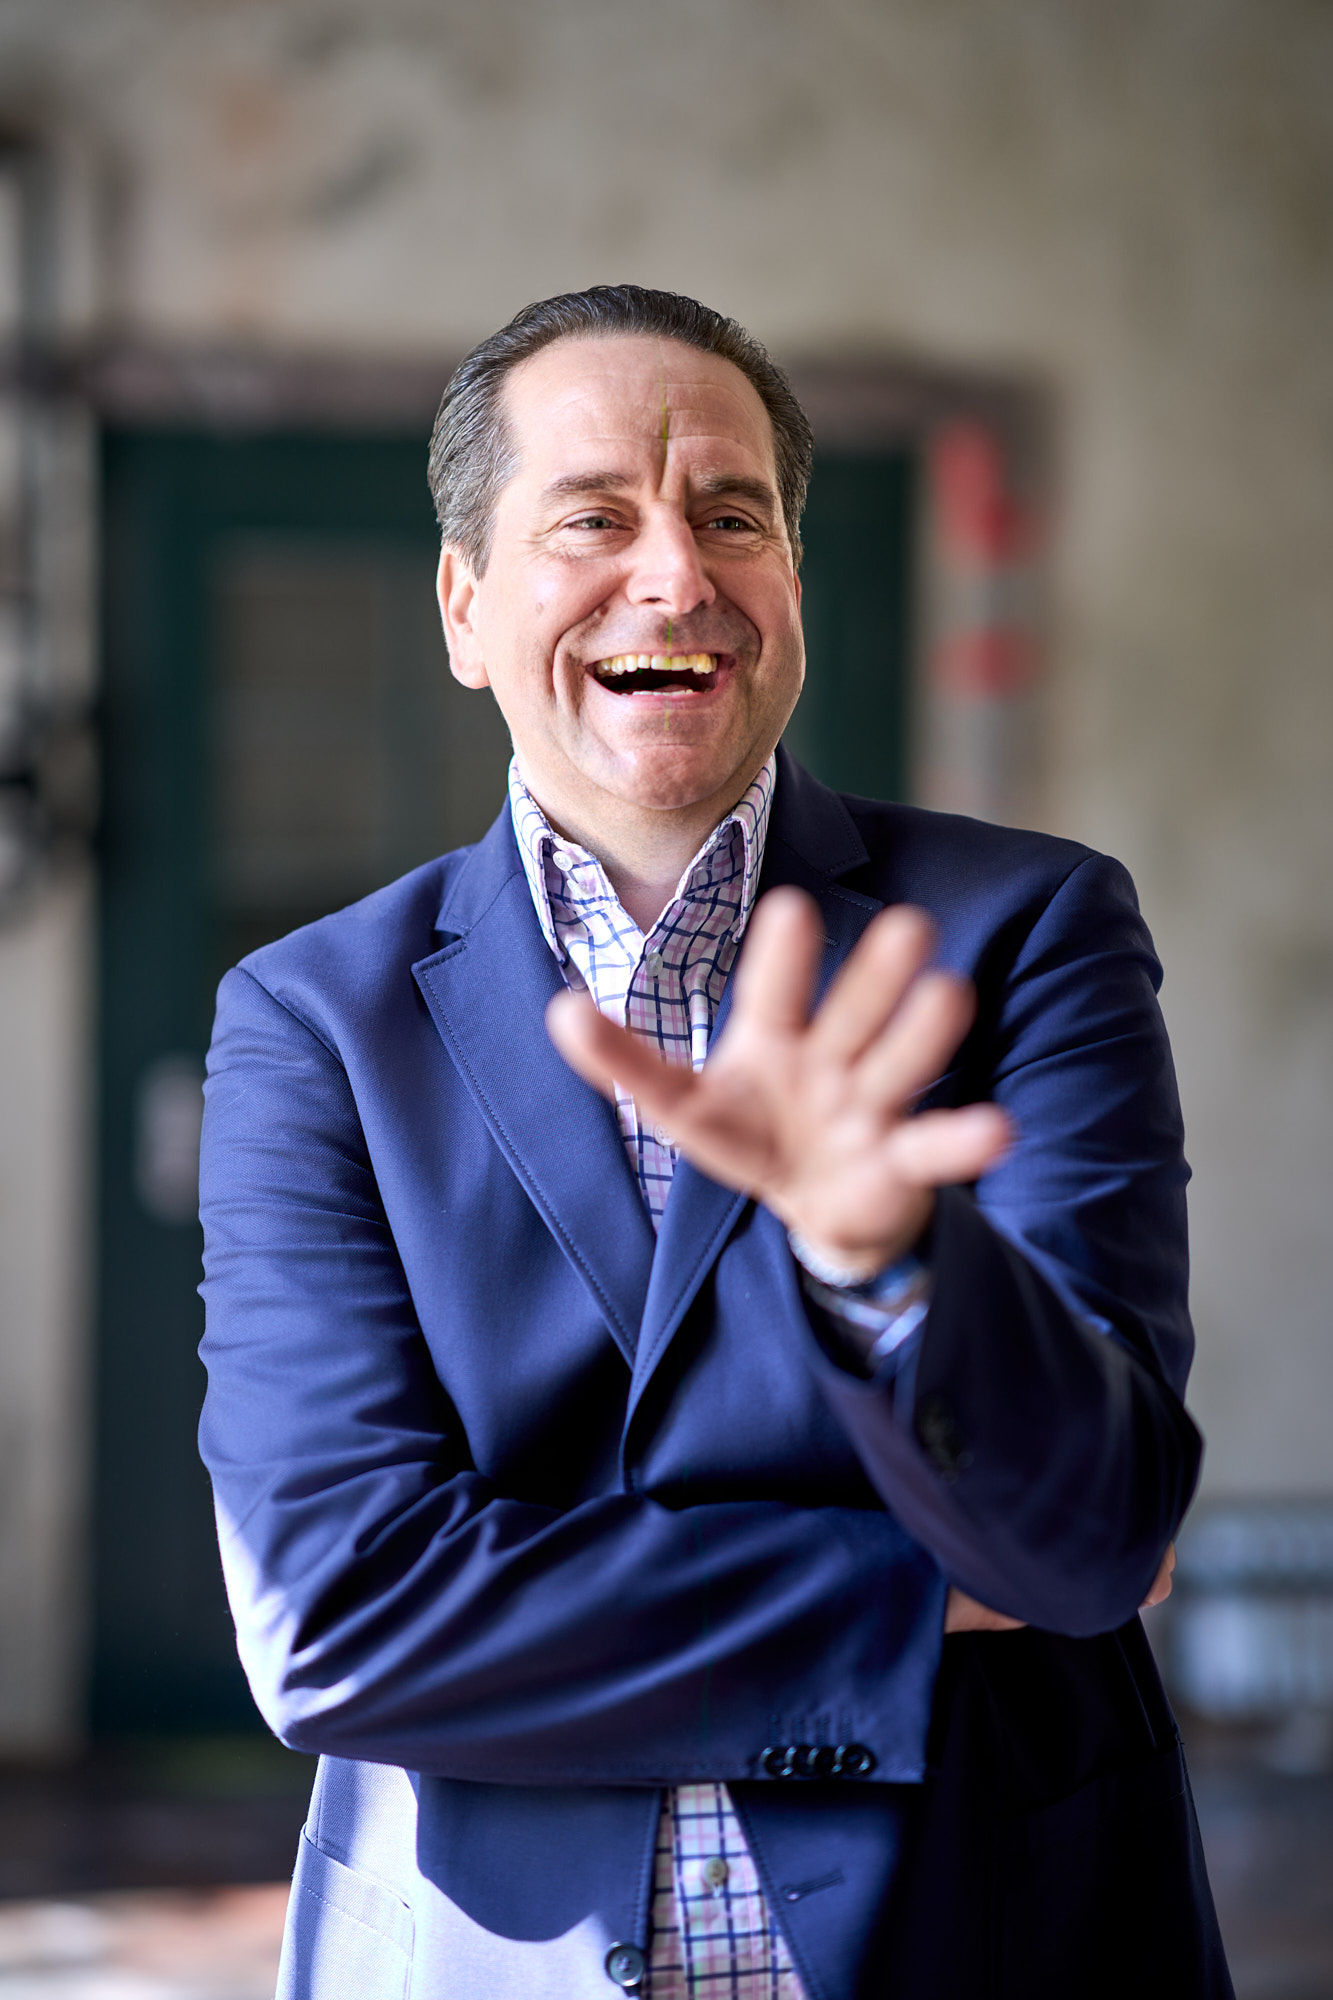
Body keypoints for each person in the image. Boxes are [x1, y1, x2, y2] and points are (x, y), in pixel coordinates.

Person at [198, 285, 1232, 1999]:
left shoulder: (1028, 932)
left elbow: (1089, 1543)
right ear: (465, 607)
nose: (674, 575)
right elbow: (339, 1617)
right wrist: (903, 1602)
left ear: (791, 587)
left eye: (731, 517)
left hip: (986, 1938)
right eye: (592, 518)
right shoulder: (314, 1020)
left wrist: (883, 1262)